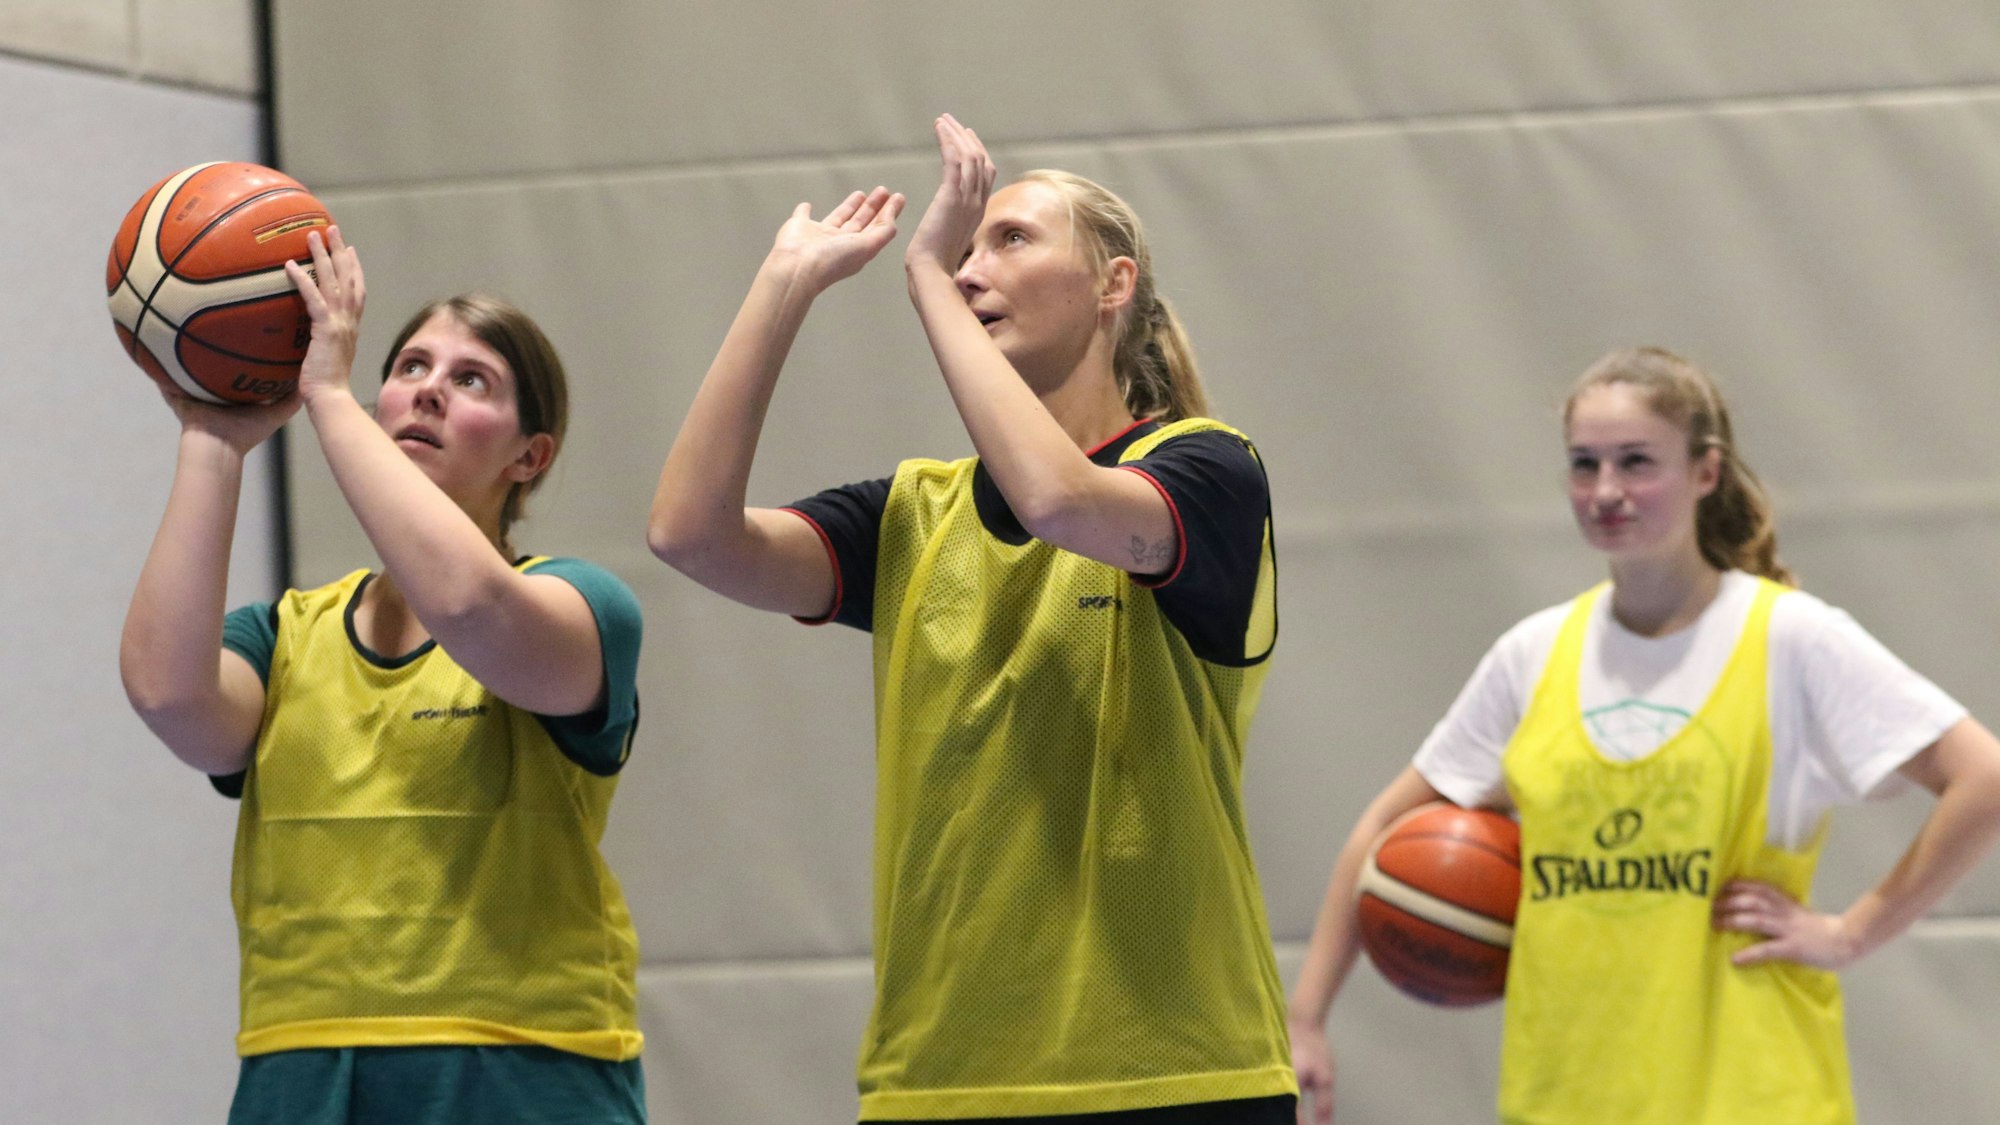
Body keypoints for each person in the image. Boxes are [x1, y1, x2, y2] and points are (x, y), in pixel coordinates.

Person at [648, 115, 1293, 1122]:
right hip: (937, 1080)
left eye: (1011, 239)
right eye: (964, 247)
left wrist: (920, 275)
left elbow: (1057, 502)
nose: (968, 269)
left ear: (1112, 285)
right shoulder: (910, 514)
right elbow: (689, 535)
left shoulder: (1208, 469)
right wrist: (783, 285)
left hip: (1171, 1074)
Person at [1286, 346, 2000, 1125]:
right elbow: (1384, 829)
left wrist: (1851, 933)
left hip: (1750, 1094)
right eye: (1584, 464)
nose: (1607, 490)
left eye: (1636, 461)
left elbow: (1983, 777)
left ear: (1706, 470)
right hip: (1566, 1090)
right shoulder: (1534, 655)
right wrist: (1308, 1015)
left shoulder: (1788, 637)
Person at [120, 229, 647, 1125]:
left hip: (521, 1065)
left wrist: (327, 396)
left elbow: (471, 609)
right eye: (408, 367)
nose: (428, 389)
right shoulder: (284, 637)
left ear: (531, 456)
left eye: (472, 379)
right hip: (302, 1064)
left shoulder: (578, 605)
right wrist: (211, 440)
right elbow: (173, 700)